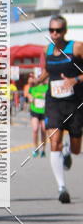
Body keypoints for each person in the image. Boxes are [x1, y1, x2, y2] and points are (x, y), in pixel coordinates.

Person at [30, 15, 83, 203]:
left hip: (75, 102)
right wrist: (38, 80)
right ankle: (62, 188)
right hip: (54, 102)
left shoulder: (77, 47)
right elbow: (47, 70)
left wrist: (75, 80)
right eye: (51, 30)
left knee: (77, 149)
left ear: (65, 31)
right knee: (54, 142)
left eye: (58, 31)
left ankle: (69, 150)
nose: (54, 34)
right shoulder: (48, 48)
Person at [23, 72, 47, 158]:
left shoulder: (47, 87)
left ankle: (43, 150)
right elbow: (28, 95)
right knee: (35, 129)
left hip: (45, 112)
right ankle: (35, 149)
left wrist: (46, 97)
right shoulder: (33, 87)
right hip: (35, 111)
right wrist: (30, 97)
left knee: (44, 130)